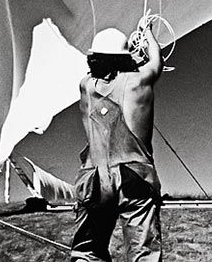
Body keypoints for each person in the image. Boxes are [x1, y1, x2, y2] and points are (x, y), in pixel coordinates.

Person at [70, 26, 164, 262]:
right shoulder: (138, 81)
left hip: (93, 178)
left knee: (87, 253)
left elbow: (102, 79)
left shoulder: (86, 87)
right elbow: (155, 61)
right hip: (134, 176)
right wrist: (147, 34)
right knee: (143, 255)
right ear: (124, 57)